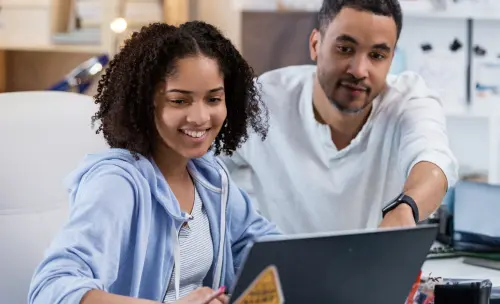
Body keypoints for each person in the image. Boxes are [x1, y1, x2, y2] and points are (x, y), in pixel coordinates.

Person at [28, 21, 279, 304]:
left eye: (213, 99)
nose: (200, 117)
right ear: (146, 103)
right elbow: (51, 289)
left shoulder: (211, 178)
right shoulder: (117, 182)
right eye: (180, 101)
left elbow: (267, 250)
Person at [220, 0, 458, 234]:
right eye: (345, 49)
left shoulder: (409, 101)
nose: (359, 70)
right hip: (281, 270)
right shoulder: (263, 101)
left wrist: (406, 208)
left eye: (376, 55)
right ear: (315, 44)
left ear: (391, 60)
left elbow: (434, 162)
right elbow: (201, 166)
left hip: (376, 267)